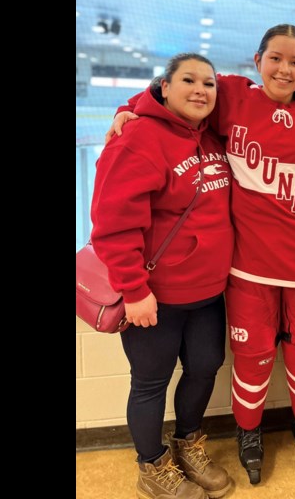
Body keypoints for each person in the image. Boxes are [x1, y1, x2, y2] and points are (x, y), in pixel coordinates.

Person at [108, 25, 295, 484]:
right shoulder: (232, 96)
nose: (284, 68)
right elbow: (176, 94)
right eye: (275, 58)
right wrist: (128, 109)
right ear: (256, 61)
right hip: (247, 270)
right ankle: (248, 431)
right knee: (251, 357)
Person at [90, 53, 235, 499]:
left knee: (205, 368)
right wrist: (134, 291)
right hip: (155, 296)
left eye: (208, 83)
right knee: (150, 382)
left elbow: (240, 86)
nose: (200, 90)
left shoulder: (208, 134)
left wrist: (130, 103)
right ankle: (152, 465)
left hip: (209, 292)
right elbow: (112, 224)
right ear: (163, 87)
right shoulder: (138, 138)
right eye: (187, 81)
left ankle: (188, 443)